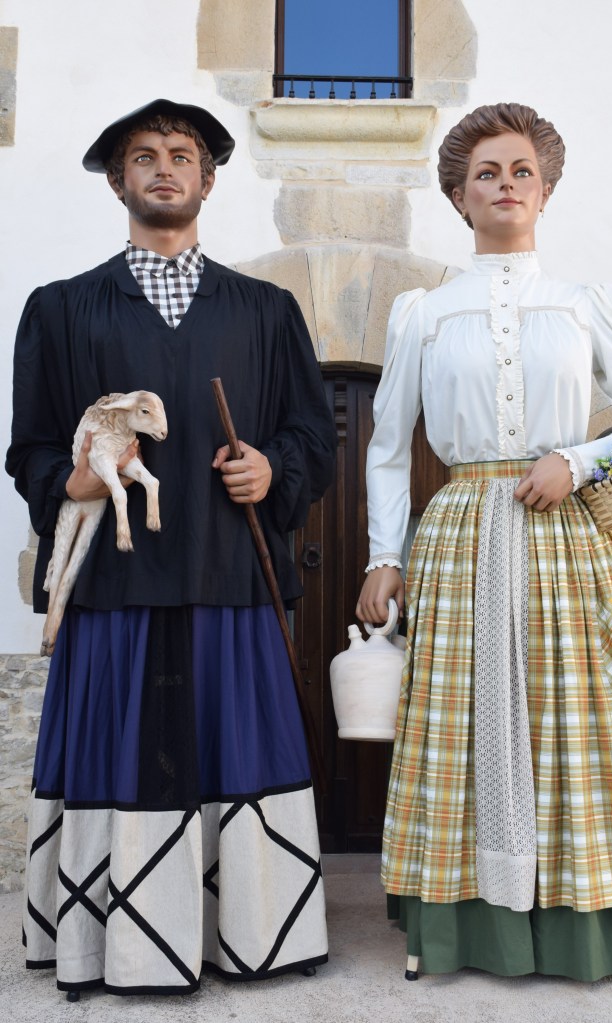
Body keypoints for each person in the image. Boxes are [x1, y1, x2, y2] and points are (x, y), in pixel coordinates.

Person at [6, 98, 336, 997]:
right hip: (113, 589)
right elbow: (29, 447)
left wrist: (272, 468)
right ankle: (112, 948)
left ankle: (250, 936)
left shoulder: (267, 309)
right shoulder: (60, 309)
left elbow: (312, 435)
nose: (163, 168)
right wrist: (74, 481)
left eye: (181, 154)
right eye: (144, 156)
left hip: (231, 578)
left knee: (239, 757)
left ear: (208, 179)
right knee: (119, 759)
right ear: (118, 181)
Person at [356, 102, 612, 983]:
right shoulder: (422, 312)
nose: (504, 185)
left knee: (576, 713)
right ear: (459, 196)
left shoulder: (581, 304)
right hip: (460, 528)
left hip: (564, 531)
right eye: (486, 174)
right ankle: (460, 924)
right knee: (460, 718)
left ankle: (588, 921)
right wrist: (384, 555)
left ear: (545, 190)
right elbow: (387, 447)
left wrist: (577, 459)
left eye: (520, 171)